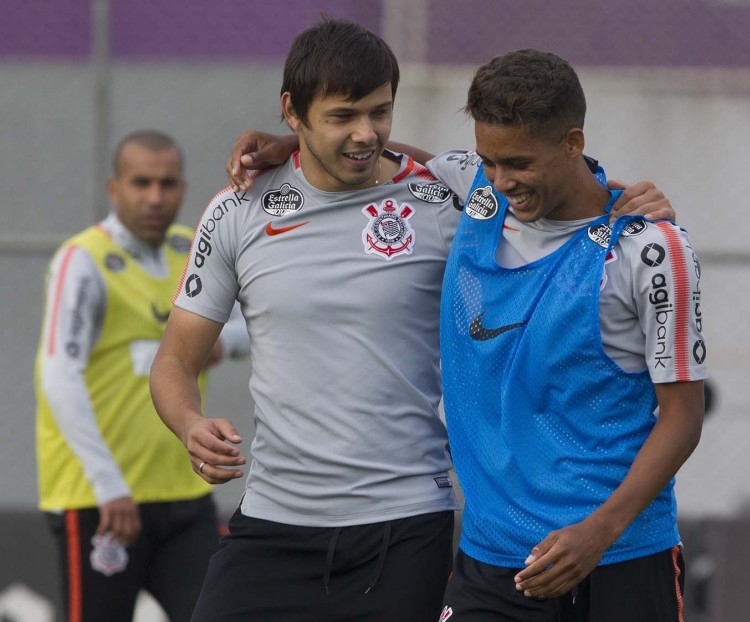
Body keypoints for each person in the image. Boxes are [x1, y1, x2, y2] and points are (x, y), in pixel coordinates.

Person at [152, 18, 676, 622]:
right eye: (343, 116)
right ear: (291, 112)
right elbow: (175, 359)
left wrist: (630, 200)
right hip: (271, 527)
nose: (365, 135)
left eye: (380, 113)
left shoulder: (447, 196)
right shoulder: (238, 208)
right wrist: (189, 423)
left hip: (403, 529)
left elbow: (552, 180)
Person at [432, 49, 707, 621]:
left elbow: (682, 417)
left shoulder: (650, 251)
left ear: (573, 143)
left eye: (519, 164)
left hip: (618, 561)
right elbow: (382, 158)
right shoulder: (476, 192)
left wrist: (598, 533)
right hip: (491, 565)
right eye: (489, 160)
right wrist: (290, 143)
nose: (503, 180)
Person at [34, 130, 249, 622]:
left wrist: (221, 344)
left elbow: (257, 327)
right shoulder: (82, 261)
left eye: (168, 183)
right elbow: (58, 376)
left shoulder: (190, 248)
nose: (155, 197)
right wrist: (108, 484)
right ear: (115, 189)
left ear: (183, 187)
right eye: (141, 183)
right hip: (103, 501)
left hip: (184, 494)